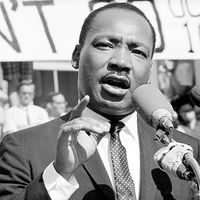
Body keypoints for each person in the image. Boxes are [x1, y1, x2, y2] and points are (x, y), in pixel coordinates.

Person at [0, 2, 200, 200]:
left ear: (149, 71)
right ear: (77, 56)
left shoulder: (189, 154)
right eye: (105, 45)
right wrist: (59, 174)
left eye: (138, 52)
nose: (121, 62)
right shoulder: (23, 147)